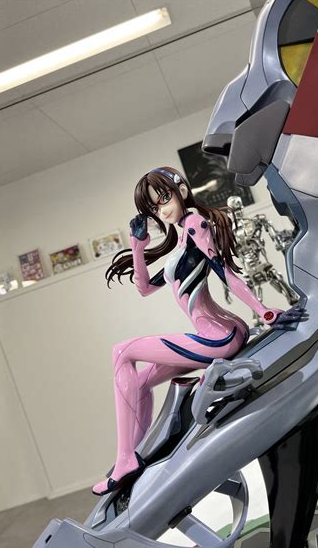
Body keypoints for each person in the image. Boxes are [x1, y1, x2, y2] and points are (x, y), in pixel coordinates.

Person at [92, 166, 299, 495]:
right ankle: (137, 455)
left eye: (164, 198)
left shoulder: (194, 223)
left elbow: (224, 271)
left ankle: (124, 459)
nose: (162, 210)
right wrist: (137, 245)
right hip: (220, 332)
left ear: (182, 191)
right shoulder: (181, 241)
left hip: (217, 338)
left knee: (121, 352)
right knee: (141, 382)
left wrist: (264, 311)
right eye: (154, 207)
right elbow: (144, 288)